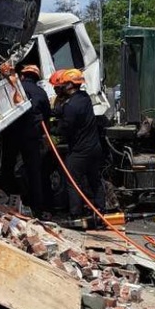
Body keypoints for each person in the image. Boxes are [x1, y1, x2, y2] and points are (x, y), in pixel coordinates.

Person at [50, 68, 106, 217]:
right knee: (95, 180)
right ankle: (101, 210)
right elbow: (66, 109)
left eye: (62, 84)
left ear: (69, 86)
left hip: (80, 152)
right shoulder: (84, 97)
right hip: (95, 148)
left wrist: (50, 130)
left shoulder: (71, 106)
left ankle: (76, 214)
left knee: (72, 181)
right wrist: (54, 112)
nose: (60, 87)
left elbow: (64, 128)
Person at [5, 65, 51, 214]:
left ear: (23, 75)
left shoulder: (14, 87)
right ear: (37, 78)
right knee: (34, 172)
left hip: (13, 134)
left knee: (7, 167)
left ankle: (7, 199)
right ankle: (37, 208)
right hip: (32, 137)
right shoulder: (42, 93)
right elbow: (47, 115)